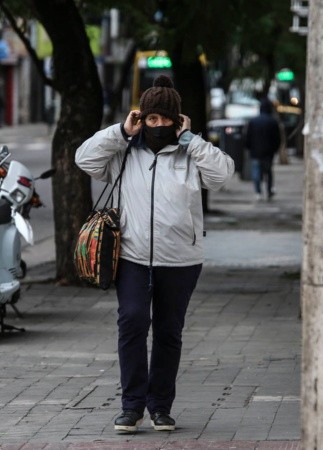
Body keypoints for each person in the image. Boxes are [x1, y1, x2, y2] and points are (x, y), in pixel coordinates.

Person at [75, 75, 235, 433]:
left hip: (180, 259)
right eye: (152, 119)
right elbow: (84, 159)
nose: (158, 125)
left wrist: (191, 139)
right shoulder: (124, 153)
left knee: (168, 332)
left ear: (177, 121)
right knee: (132, 322)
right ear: (142, 119)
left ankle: (160, 406)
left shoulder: (189, 153)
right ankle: (131, 406)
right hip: (131, 256)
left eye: (166, 119)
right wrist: (120, 131)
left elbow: (223, 175)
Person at [245, 98, 282, 201]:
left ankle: (258, 192)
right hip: (269, 152)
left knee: (256, 172)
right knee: (268, 172)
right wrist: (275, 149)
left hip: (256, 152)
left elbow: (248, 137)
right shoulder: (273, 122)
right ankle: (269, 191)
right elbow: (277, 138)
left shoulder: (253, 121)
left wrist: (249, 147)